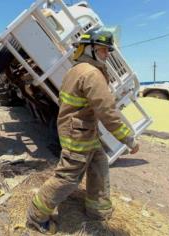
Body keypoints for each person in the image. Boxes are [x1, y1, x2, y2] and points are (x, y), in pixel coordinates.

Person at [26, 28, 140, 234]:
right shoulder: (91, 73)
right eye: (104, 51)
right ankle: (36, 215)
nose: (107, 55)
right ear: (91, 49)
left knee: (99, 163)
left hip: (82, 130)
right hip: (78, 133)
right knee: (68, 177)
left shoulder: (75, 70)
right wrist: (128, 138)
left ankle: (98, 209)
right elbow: (107, 111)